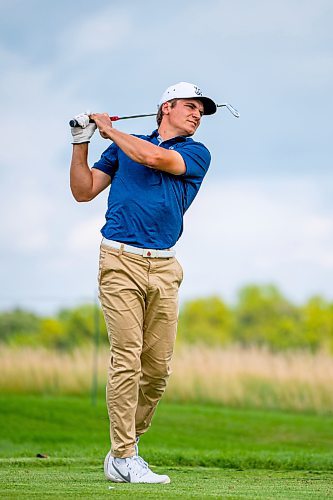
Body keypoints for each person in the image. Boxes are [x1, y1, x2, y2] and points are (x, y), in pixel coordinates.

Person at [69, 82, 217, 484]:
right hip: (119, 260)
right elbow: (84, 191)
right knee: (127, 357)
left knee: (157, 370)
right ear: (166, 107)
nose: (197, 114)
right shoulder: (123, 147)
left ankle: (125, 450)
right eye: (190, 106)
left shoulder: (194, 153)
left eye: (201, 110)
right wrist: (81, 142)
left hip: (165, 267)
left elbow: (153, 157)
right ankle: (125, 454)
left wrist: (109, 129)